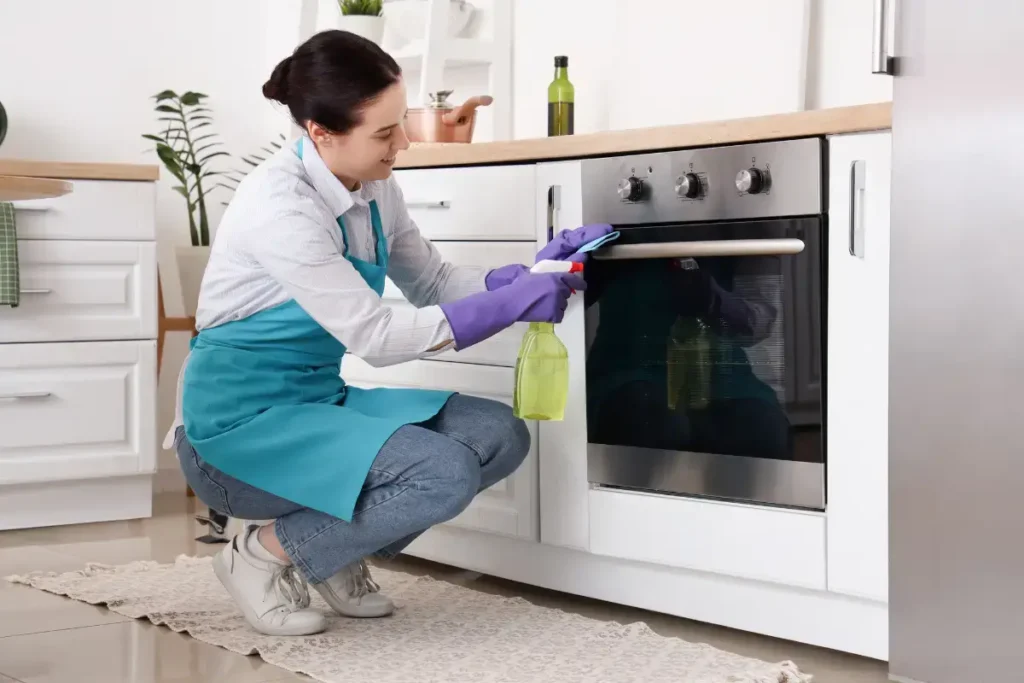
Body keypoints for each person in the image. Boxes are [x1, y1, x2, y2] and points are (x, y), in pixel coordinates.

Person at [164, 29, 611, 637]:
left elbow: (434, 281)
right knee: (443, 471)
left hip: (317, 403)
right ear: (321, 131)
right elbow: (375, 337)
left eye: (400, 122)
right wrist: (510, 305)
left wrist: (526, 276)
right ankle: (261, 555)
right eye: (384, 132)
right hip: (235, 431)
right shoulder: (280, 207)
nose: (403, 142)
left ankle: (330, 550)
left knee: (498, 435)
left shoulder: (374, 186)